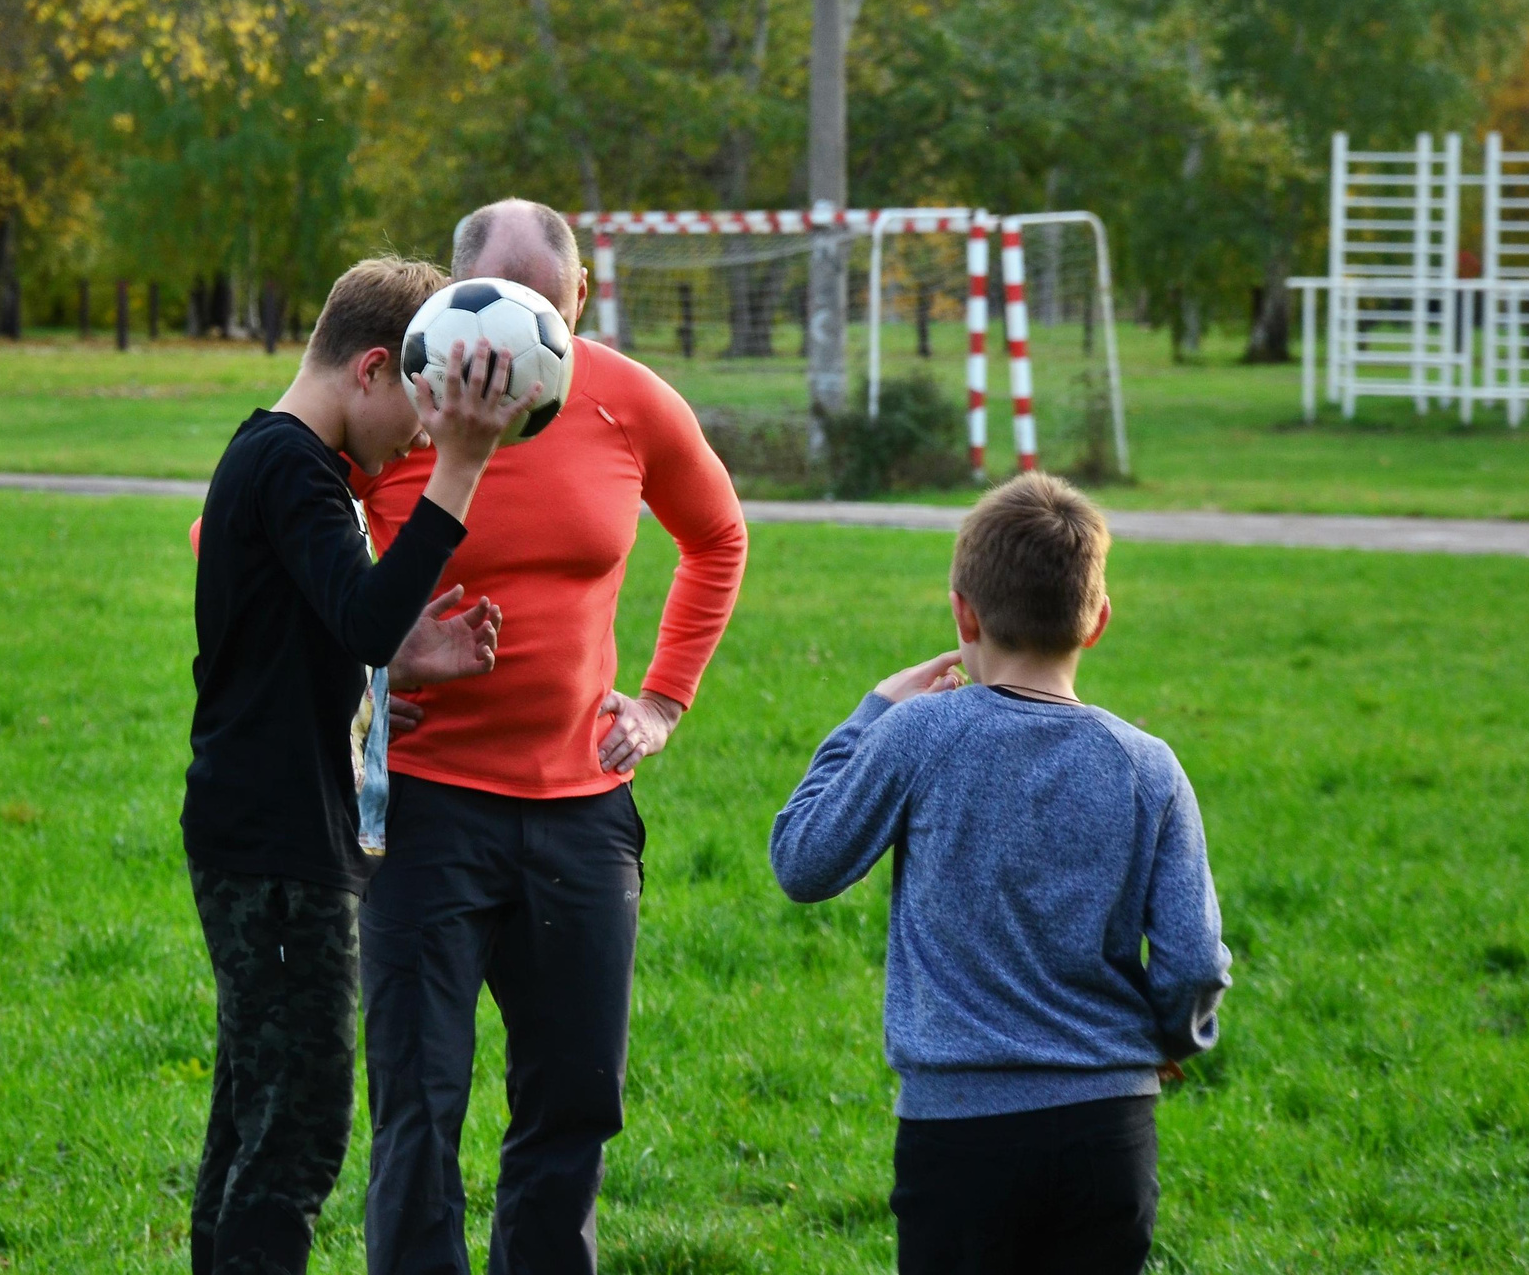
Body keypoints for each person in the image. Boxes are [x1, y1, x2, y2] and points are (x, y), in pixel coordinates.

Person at [352, 200, 749, 1275]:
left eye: (549, 298)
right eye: (501, 293)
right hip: (421, 811)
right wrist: (378, 663)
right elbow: (241, 548)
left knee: (575, 1100)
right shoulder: (399, 398)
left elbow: (716, 535)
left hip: (580, 814)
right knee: (417, 1107)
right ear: (452, 289)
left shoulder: (625, 399)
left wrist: (662, 699)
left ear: (577, 299)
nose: (525, 317)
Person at [768, 473, 1231, 1275]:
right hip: (1109, 1129)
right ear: (1099, 622)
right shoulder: (1150, 767)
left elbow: (803, 861)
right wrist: (1169, 1036)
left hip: (959, 1133)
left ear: (963, 613)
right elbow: (1193, 959)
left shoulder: (919, 734)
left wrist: (871, 713)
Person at [184, 256, 539, 1275]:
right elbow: (368, 613)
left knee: (251, 1123)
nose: (419, 443)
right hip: (276, 850)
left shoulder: (284, 464)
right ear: (375, 368)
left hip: (261, 832)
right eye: (420, 419)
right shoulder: (292, 466)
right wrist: (462, 468)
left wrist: (387, 670)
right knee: (293, 1135)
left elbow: (320, 635)